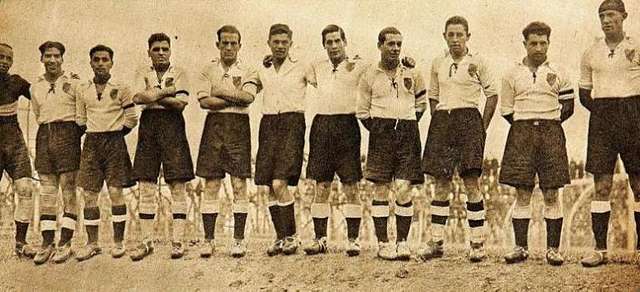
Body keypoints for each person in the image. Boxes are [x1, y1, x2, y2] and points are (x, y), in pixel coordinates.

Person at [418, 16, 498, 262]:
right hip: (443, 121)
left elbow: (492, 95)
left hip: (468, 120)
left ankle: (477, 243)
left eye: (459, 35)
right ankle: (436, 241)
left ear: (467, 37)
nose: (455, 39)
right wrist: (439, 119)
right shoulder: (437, 62)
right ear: (444, 36)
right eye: (450, 35)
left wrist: (480, 128)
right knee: (441, 183)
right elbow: (432, 94)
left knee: (471, 182)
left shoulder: (478, 62)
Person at [499, 21, 574, 266]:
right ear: (525, 44)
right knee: (523, 191)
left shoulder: (560, 71)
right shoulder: (512, 73)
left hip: (551, 132)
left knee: (552, 192)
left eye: (543, 43)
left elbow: (569, 107)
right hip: (521, 132)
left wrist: (546, 122)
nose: (539, 48)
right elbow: (507, 111)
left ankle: (553, 249)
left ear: (549, 43)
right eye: (534, 43)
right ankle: (520, 247)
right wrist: (527, 125)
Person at [356, 26, 426, 261]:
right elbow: (363, 112)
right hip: (381, 134)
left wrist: (403, 124)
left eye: (399, 44)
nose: (395, 48)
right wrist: (380, 130)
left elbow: (421, 105)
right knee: (381, 188)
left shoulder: (413, 73)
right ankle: (384, 243)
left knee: (404, 187)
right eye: (390, 44)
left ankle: (403, 242)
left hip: (407, 131)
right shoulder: (369, 75)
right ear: (380, 46)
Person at [579, 0, 640, 267]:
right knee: (601, 184)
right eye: (602, 15)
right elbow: (584, 92)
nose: (606, 20)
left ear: (623, 17)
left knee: (638, 184)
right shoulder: (591, 52)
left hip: (633, 113)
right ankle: (600, 250)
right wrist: (604, 112)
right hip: (602, 116)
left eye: (611, 15)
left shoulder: (636, 46)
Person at [302, 24, 368, 257]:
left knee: (351, 185)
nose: (333, 46)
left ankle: (353, 240)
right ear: (324, 45)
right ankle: (320, 239)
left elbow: (381, 68)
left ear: (344, 41)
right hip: (322, 126)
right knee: (321, 185)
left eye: (337, 41)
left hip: (347, 125)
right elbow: (293, 69)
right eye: (328, 42)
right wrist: (269, 59)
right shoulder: (315, 67)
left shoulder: (359, 65)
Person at [130, 33, 195, 261]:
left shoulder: (180, 72)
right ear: (149, 51)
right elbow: (138, 98)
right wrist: (167, 91)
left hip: (173, 126)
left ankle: (178, 241)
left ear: (170, 51)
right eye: (156, 49)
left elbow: (180, 104)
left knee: (177, 184)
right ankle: (146, 242)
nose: (160, 52)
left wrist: (153, 95)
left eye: (164, 49)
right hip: (148, 127)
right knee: (146, 184)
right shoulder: (142, 72)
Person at [246, 24, 308, 256]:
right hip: (268, 124)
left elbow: (325, 79)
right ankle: (280, 238)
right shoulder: (263, 68)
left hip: (292, 124)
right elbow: (249, 90)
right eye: (276, 42)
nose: (280, 46)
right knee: (268, 184)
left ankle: (292, 236)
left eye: (284, 42)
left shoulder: (302, 67)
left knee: (280, 183)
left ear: (291, 43)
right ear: (269, 43)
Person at [195, 25, 256, 258]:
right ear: (218, 44)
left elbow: (248, 98)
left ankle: (238, 240)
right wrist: (233, 96)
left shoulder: (249, 70)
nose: (229, 47)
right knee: (211, 185)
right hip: (214, 127)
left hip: (239, 128)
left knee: (239, 185)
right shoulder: (207, 70)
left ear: (240, 46)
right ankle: (208, 240)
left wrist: (218, 90)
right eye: (225, 43)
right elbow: (204, 102)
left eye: (233, 43)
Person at [73, 44, 138, 261]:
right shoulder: (83, 89)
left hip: (115, 142)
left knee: (116, 192)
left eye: (105, 60)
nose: (101, 63)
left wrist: (116, 134)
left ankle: (118, 242)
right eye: (96, 60)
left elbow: (131, 118)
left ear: (112, 62)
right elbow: (80, 119)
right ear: (91, 62)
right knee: (89, 194)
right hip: (91, 143)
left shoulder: (121, 87)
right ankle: (93, 243)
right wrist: (95, 132)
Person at [30, 41, 83, 265]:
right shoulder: (36, 86)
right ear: (42, 59)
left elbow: (82, 118)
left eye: (56, 56)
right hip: (45, 134)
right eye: (47, 56)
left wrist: (69, 136)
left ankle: (66, 242)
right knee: (47, 191)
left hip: (68, 133)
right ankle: (47, 242)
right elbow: (38, 113)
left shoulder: (74, 82)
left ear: (62, 58)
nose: (52, 60)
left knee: (68, 189)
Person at [0, 43, 37, 259]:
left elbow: (44, 96)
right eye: (0, 57)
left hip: (14, 143)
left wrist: (69, 85)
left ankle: (20, 243)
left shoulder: (16, 82)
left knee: (25, 189)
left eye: (8, 58)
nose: (4, 61)